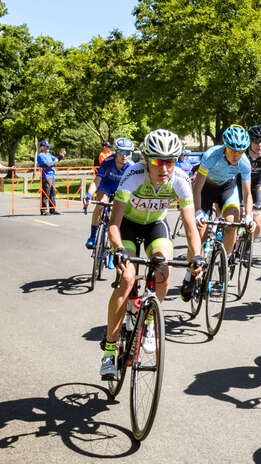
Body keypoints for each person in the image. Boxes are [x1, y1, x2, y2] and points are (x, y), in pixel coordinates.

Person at [99, 129, 203, 378]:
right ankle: (109, 351)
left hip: (156, 225)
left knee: (163, 271)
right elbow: (114, 223)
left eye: (170, 161)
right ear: (146, 160)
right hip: (128, 226)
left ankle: (149, 324)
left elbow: (190, 226)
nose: (164, 168)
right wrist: (118, 249)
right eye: (157, 161)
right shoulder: (133, 175)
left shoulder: (180, 179)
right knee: (127, 280)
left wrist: (197, 257)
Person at [186, 125, 255, 301]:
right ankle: (189, 273)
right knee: (199, 232)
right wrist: (198, 212)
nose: (236, 155)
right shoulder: (211, 156)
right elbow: (197, 187)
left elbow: (247, 193)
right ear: (225, 147)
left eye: (240, 151)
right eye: (232, 150)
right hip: (206, 189)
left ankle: (225, 260)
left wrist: (249, 216)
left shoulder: (244, 162)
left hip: (227, 189)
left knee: (233, 223)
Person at [83, 138, 135, 256]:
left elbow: (134, 186)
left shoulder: (131, 166)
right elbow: (97, 180)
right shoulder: (107, 162)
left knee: (118, 217)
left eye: (128, 152)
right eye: (121, 152)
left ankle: (113, 252)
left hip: (121, 189)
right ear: (116, 152)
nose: (124, 155)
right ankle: (93, 236)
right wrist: (89, 194)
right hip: (106, 185)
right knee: (100, 204)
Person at [37, 140, 65, 215]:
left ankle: (52, 210)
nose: (48, 147)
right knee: (46, 193)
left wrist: (61, 156)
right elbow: (46, 165)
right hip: (46, 176)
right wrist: (54, 162)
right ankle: (43, 210)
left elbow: (56, 159)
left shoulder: (48, 154)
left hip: (52, 175)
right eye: (47, 146)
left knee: (53, 193)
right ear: (42, 147)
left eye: (48, 146)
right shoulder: (40, 155)